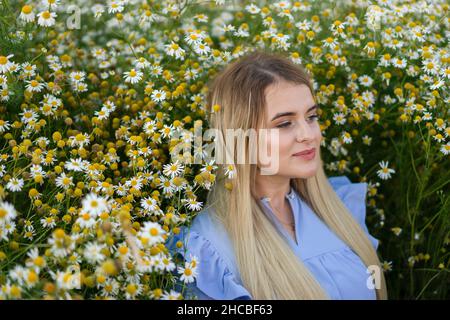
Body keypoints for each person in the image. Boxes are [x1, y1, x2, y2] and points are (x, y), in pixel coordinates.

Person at [166, 50, 388, 300]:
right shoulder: (209, 251)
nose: (309, 134)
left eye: (312, 117)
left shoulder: (339, 209)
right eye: (284, 123)